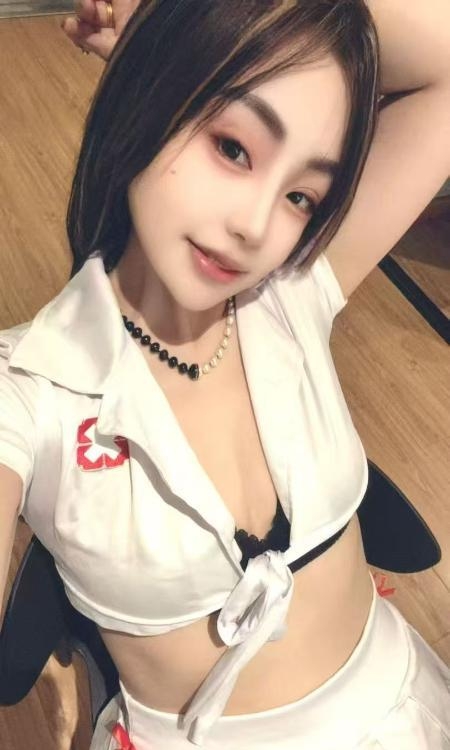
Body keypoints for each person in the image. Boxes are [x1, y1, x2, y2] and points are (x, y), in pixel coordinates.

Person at [1, 1, 450, 748]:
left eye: (301, 196)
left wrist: (190, 24)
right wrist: (183, 35)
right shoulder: (28, 389)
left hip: (408, 710)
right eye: (234, 148)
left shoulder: (293, 294)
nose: (256, 226)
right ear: (149, 93)